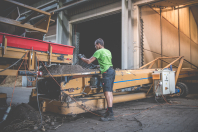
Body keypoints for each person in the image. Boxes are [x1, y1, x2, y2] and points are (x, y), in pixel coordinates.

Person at [78, 38, 115, 121]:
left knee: (107, 93)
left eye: (95, 45)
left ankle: (111, 114)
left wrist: (81, 58)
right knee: (110, 92)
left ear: (98, 44)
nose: (95, 47)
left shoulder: (98, 51)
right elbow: (106, 62)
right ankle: (108, 111)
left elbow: (88, 61)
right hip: (112, 71)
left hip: (106, 73)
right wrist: (97, 66)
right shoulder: (108, 51)